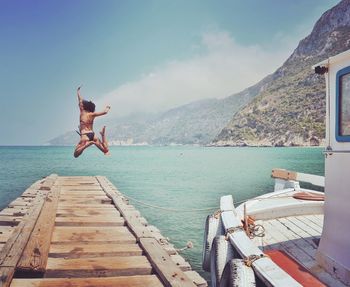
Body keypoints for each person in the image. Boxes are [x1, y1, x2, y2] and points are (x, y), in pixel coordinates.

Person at [74, 86, 110, 158]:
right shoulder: (92, 114)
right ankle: (102, 135)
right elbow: (105, 112)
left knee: (76, 154)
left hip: (85, 136)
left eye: (81, 105)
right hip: (93, 135)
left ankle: (87, 144)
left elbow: (80, 100)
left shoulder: (82, 112)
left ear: (83, 107)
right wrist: (108, 107)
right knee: (106, 151)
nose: (80, 105)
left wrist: (77, 92)